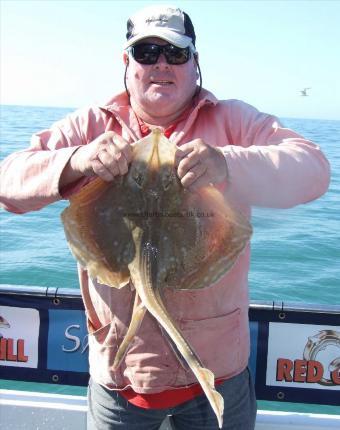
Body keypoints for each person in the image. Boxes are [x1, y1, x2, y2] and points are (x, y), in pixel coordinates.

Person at [0, 4, 330, 430]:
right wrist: (78, 161)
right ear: (127, 63)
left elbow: (313, 169)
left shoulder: (233, 122)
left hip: (219, 373)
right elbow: (8, 182)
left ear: (196, 63)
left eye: (176, 53)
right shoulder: (91, 125)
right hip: (120, 379)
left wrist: (229, 164)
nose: (161, 64)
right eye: (147, 52)